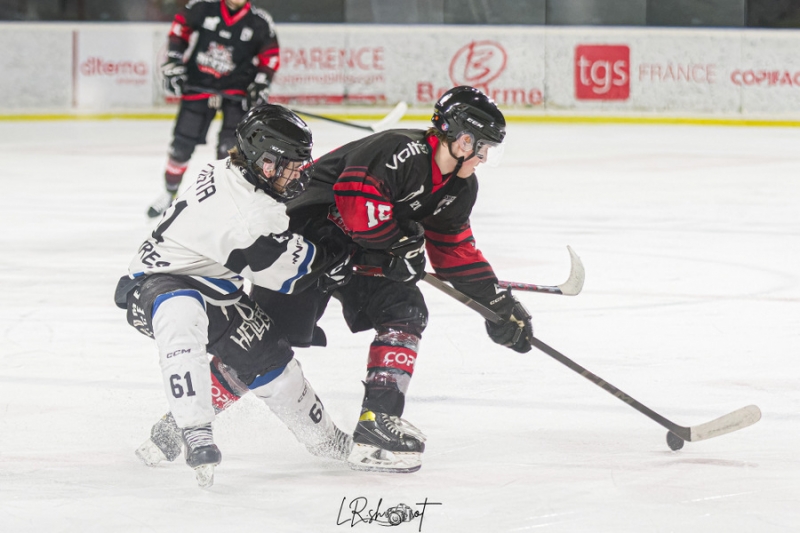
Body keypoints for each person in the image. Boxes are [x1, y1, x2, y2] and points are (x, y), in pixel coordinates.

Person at [136, 86, 534, 474]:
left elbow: (454, 248)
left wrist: (497, 304)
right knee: (260, 348)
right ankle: (175, 428)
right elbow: (355, 203)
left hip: (361, 254)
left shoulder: (459, 187)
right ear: (463, 140)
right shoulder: (400, 151)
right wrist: (398, 243)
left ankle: (376, 426)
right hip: (305, 247)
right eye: (482, 147)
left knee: (405, 311)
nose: (483, 157)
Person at [116, 105, 354, 487]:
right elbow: (287, 275)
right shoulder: (249, 217)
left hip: (216, 290)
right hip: (154, 284)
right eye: (291, 164)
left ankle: (328, 440)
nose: (299, 173)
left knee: (273, 361)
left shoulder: (224, 169)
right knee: (182, 312)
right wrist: (333, 255)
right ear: (265, 163)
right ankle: (195, 430)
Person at [147, 0, 280, 218]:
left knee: (230, 151)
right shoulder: (203, 8)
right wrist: (173, 61)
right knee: (181, 145)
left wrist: (261, 83)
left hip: (237, 93)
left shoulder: (259, 22)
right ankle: (169, 193)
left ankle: (224, 202)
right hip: (199, 85)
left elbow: (270, 56)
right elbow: (180, 30)